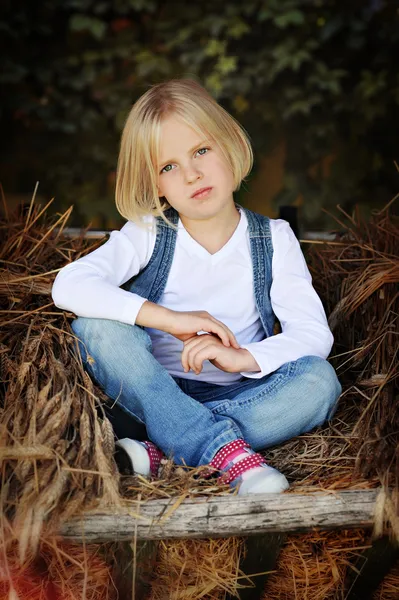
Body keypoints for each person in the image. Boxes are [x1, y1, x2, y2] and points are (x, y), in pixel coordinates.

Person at [52, 78, 342, 495]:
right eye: (168, 167)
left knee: (320, 381)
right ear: (156, 186)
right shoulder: (149, 232)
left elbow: (314, 335)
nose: (191, 174)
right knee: (96, 329)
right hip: (153, 389)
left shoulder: (273, 238)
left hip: (247, 392)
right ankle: (221, 449)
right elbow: (69, 284)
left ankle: (164, 449)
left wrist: (240, 356)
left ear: (228, 145)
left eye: (201, 150)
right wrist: (171, 320)